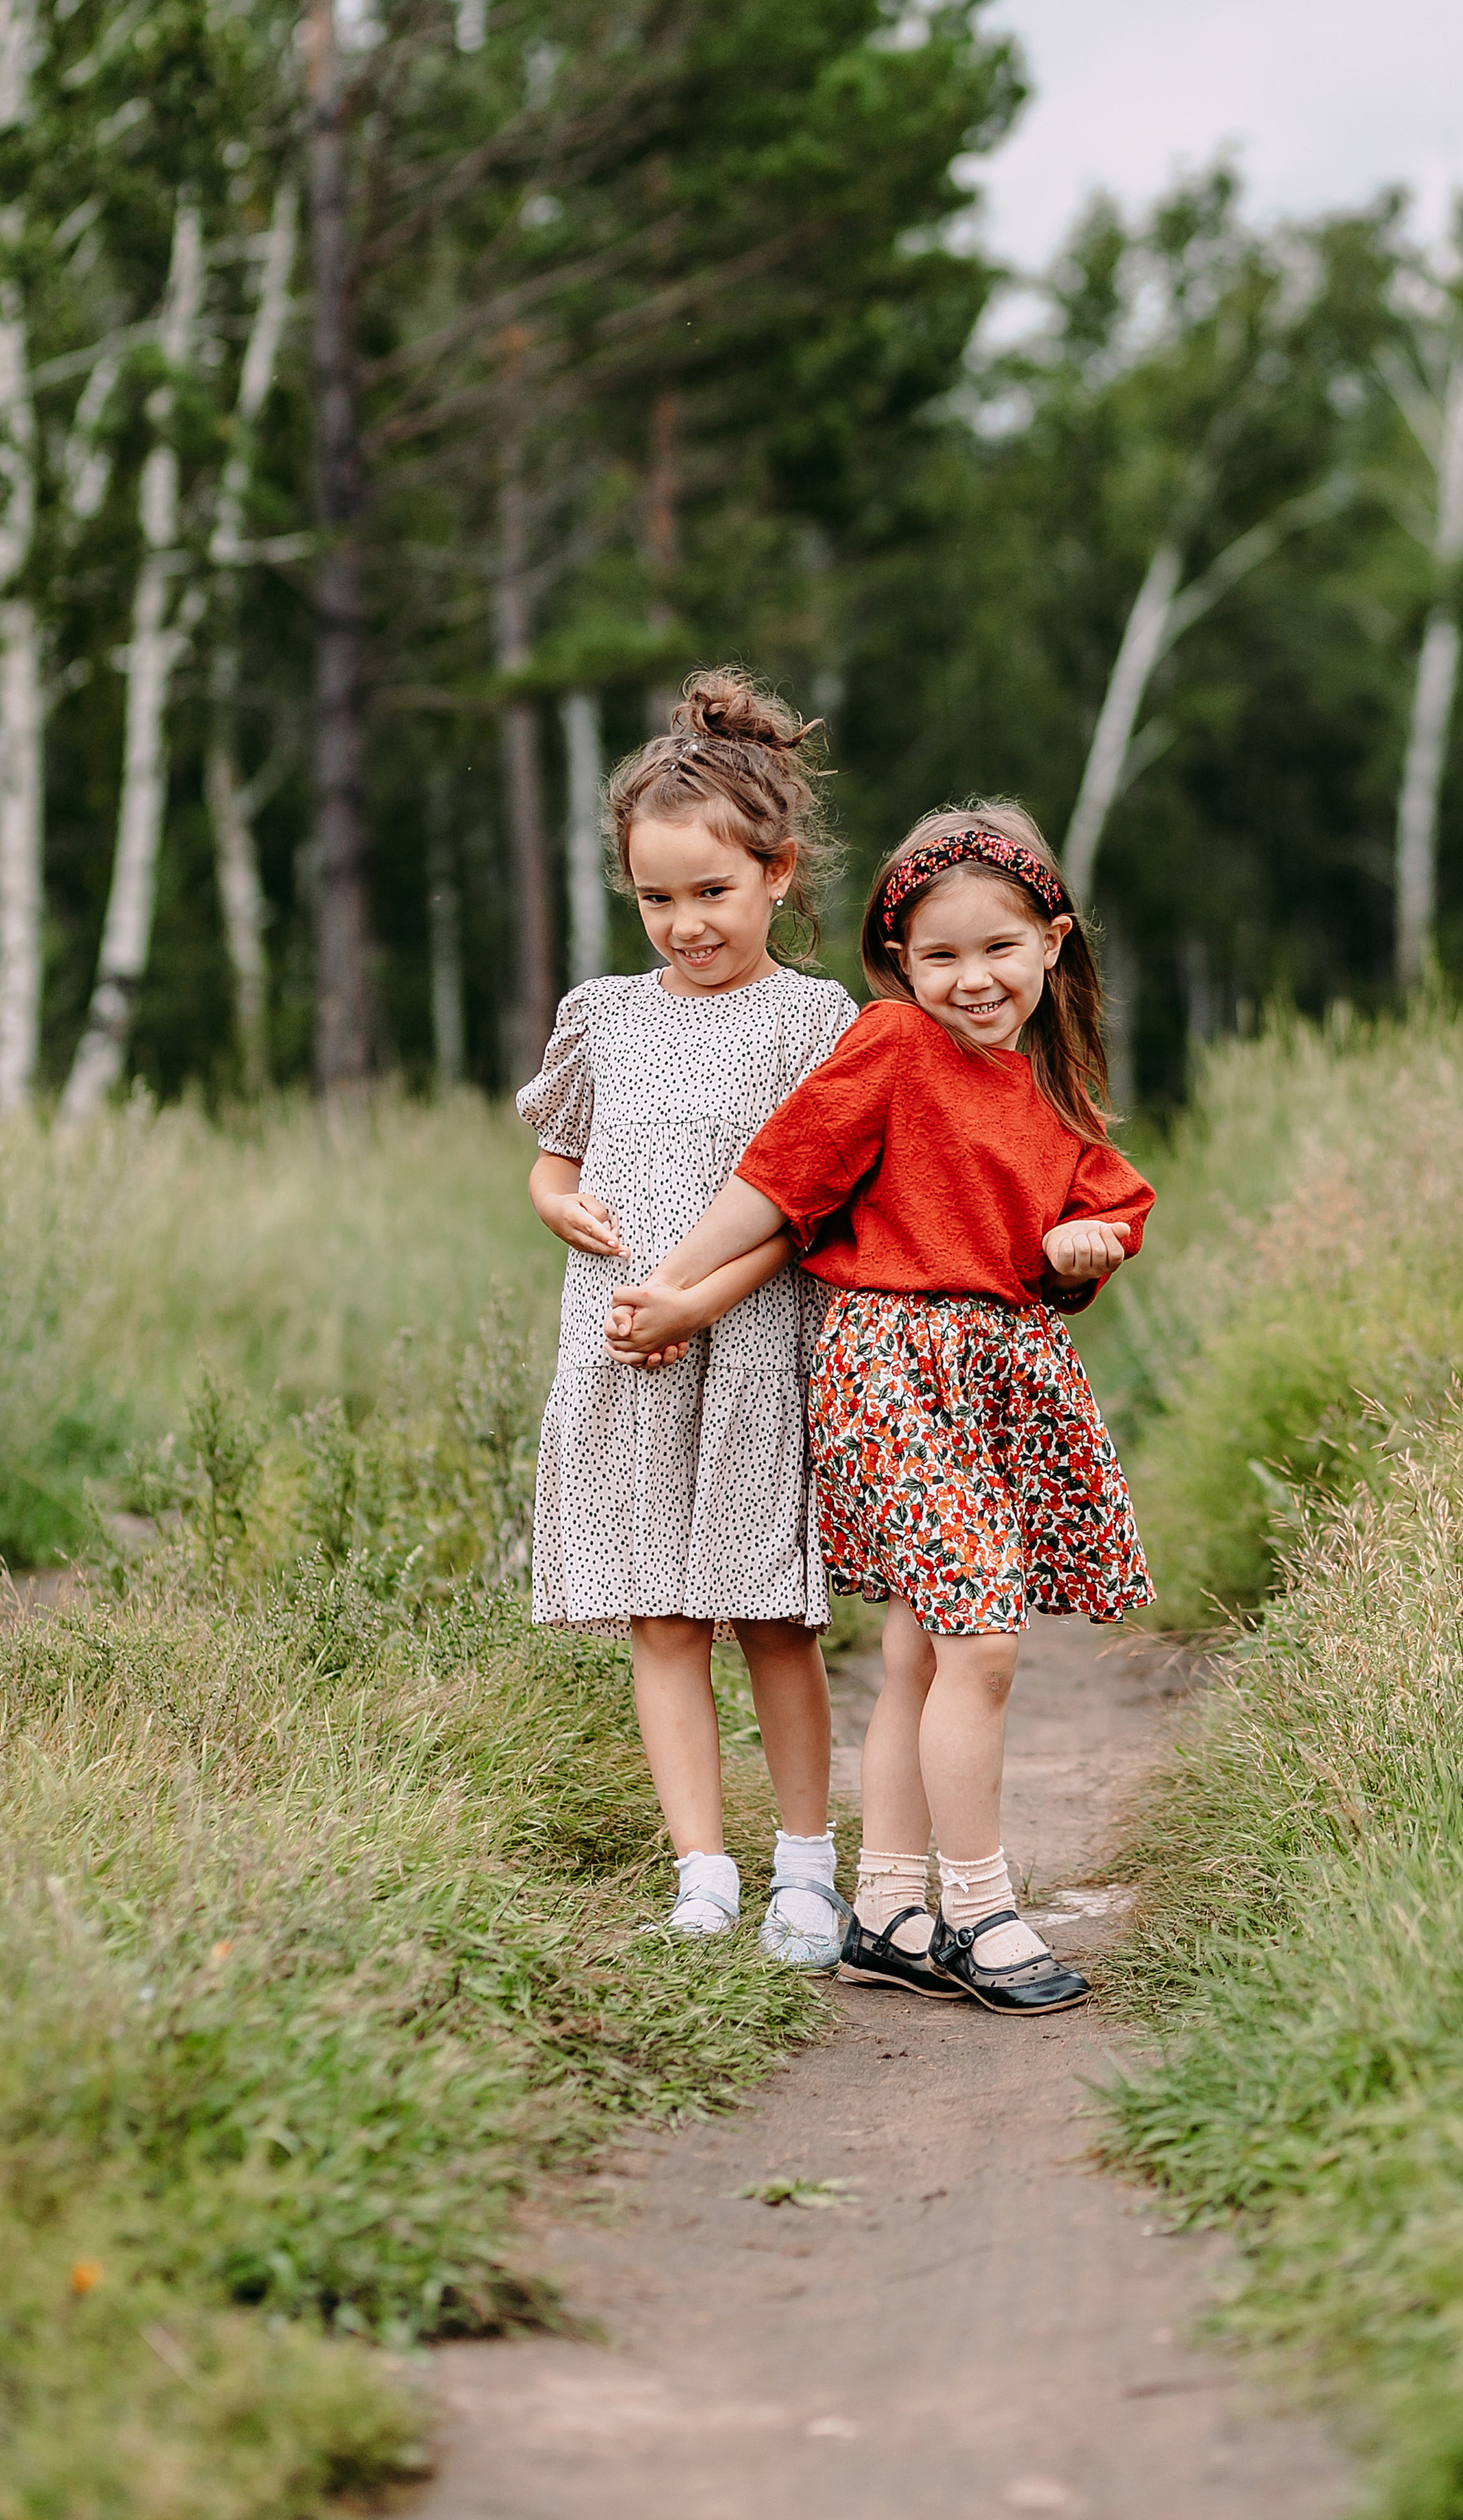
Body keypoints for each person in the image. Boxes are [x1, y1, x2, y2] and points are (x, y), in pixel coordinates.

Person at [606, 801, 1154, 2015]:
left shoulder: (1056, 1095)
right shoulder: (892, 1047)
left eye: (1000, 949)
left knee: (924, 1643)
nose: (973, 980)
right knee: (981, 1638)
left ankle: (891, 1909)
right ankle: (981, 1908)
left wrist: (1080, 1251)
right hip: (890, 1368)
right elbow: (779, 1181)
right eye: (942, 955)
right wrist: (677, 1285)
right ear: (900, 961)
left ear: (1053, 942)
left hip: (1000, 1380)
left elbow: (1102, 1220)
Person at [517, 669, 857, 1968]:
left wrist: (695, 1300)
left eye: (709, 893)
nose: (684, 925)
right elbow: (556, 1159)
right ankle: (703, 1870)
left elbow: (802, 1207)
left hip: (755, 1353)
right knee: (664, 1617)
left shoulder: (811, 1020)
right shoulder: (604, 1018)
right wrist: (558, 1208)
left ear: (775, 874)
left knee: (772, 1614)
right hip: (625, 1357)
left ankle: (808, 1873)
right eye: (656, 899)